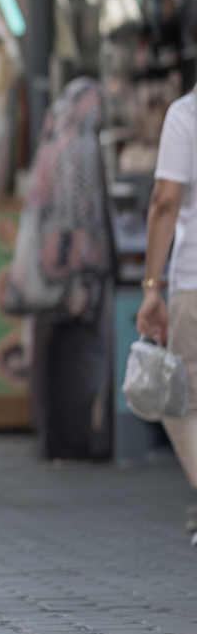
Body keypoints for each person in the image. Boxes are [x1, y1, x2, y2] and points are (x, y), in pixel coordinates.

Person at [5, 78, 114, 460]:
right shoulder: (81, 147)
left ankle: (53, 439)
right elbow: (82, 213)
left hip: (47, 270)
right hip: (74, 269)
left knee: (51, 354)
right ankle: (74, 442)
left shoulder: (50, 143)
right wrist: (85, 268)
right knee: (79, 355)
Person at [137, 83, 197, 542]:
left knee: (181, 402)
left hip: (194, 285)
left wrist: (152, 287)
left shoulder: (187, 113)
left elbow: (165, 202)